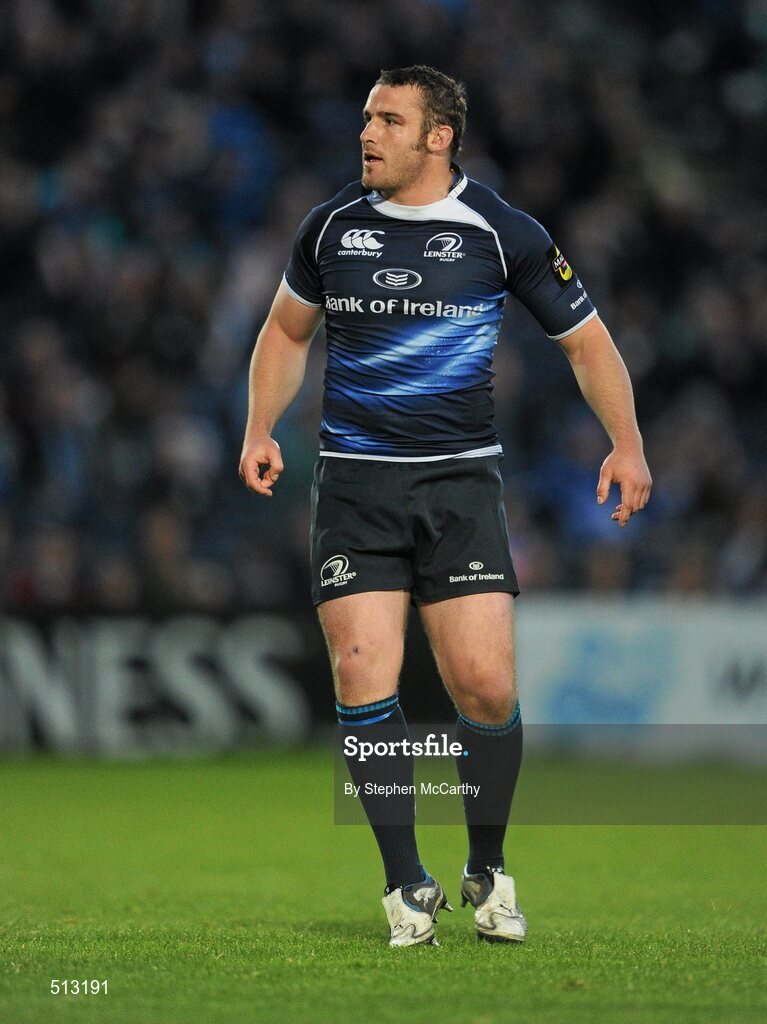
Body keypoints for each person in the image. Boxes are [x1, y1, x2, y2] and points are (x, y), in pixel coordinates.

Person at [239, 65, 652, 947]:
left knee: (486, 686)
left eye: (388, 120)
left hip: (460, 485)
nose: (367, 134)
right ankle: (403, 886)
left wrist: (627, 443)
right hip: (354, 484)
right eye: (364, 118)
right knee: (360, 671)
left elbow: (586, 343)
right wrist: (260, 426)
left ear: (437, 138)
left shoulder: (498, 230)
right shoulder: (331, 229)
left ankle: (488, 870)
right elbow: (283, 331)